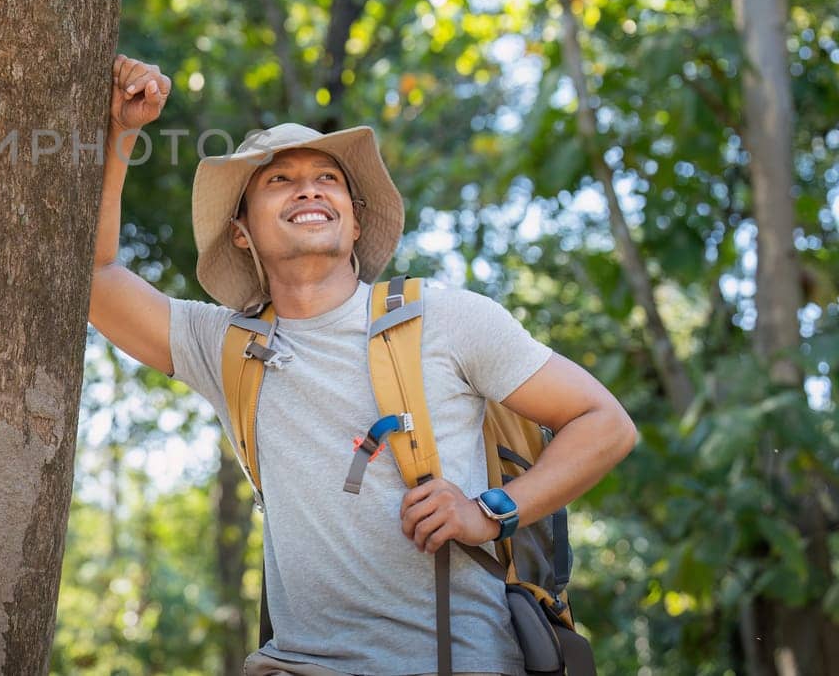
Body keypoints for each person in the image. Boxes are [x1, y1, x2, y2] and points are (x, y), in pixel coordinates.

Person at [89, 55, 637, 676]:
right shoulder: (225, 345)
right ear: (241, 231)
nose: (309, 188)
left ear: (354, 222)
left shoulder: (446, 319)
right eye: (278, 180)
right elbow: (98, 276)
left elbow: (606, 422)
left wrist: (489, 512)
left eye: (328, 177)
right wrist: (120, 133)